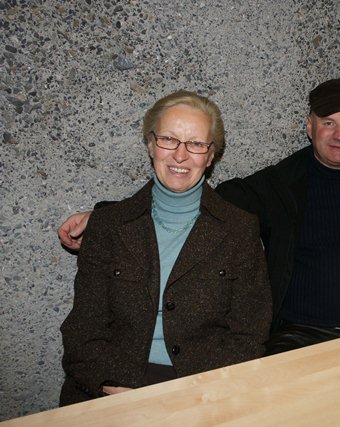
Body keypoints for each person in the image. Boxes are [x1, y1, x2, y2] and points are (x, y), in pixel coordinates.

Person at [58, 79, 340, 355]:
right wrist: (107, 216)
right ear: (309, 126)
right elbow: (193, 196)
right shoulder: (280, 185)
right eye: (329, 122)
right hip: (301, 337)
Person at [59, 91, 271, 406]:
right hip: (111, 386)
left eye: (196, 143)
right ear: (150, 144)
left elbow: (249, 335)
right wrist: (110, 387)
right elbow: (83, 329)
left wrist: (194, 393)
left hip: (201, 387)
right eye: (169, 139)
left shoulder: (240, 230)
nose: (180, 155)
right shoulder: (107, 226)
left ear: (210, 156)